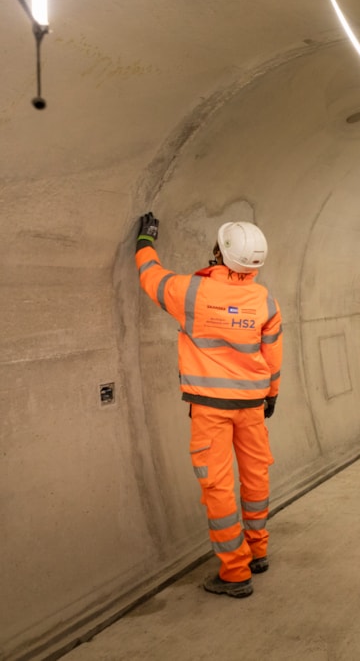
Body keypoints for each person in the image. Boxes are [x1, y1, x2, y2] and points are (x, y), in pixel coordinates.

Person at [134, 212, 282, 599]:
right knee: (256, 476)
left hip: (210, 408)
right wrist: (271, 393)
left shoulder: (191, 292)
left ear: (220, 252)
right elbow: (273, 354)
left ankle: (235, 572)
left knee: (217, 486)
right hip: (252, 404)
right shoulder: (264, 300)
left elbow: (151, 277)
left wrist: (145, 243)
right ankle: (258, 551)